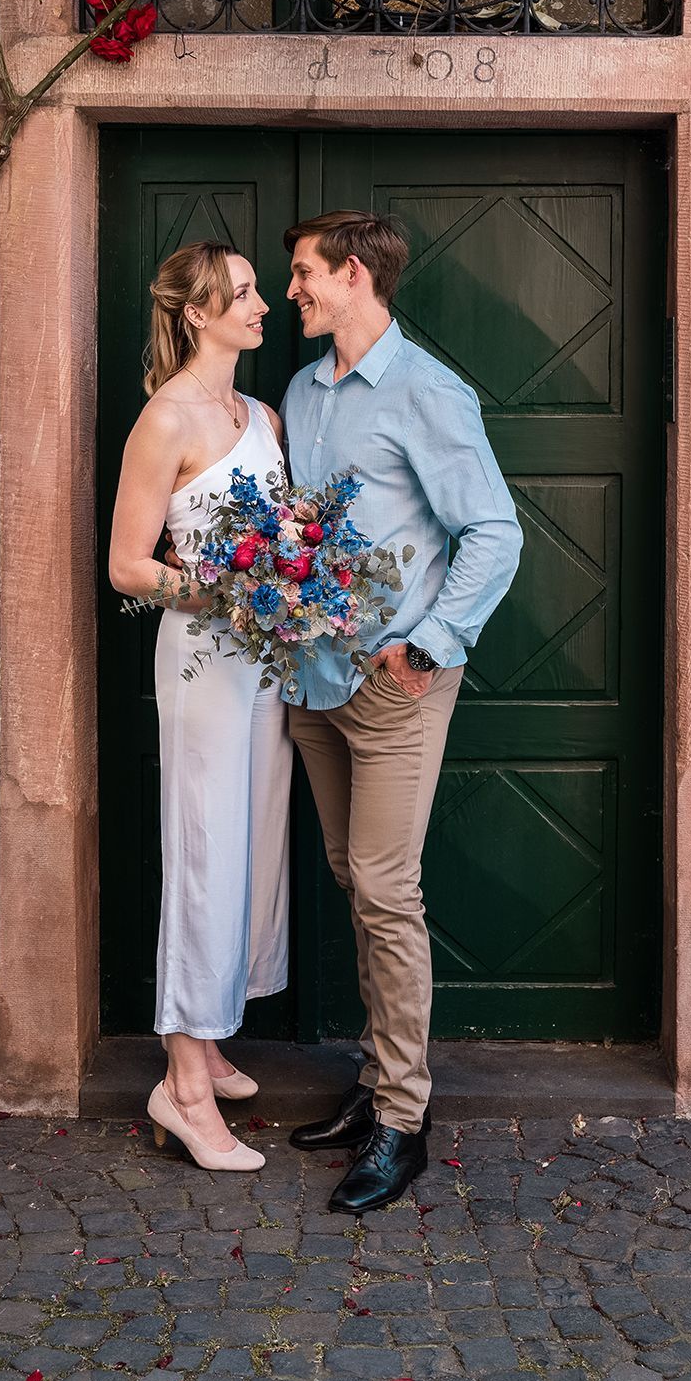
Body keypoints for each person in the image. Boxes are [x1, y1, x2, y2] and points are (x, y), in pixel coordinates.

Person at [281, 211, 523, 1213]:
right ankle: (376, 1081)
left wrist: (426, 647)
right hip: (311, 685)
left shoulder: (425, 391)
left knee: (384, 890)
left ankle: (403, 1121)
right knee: (351, 878)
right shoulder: (299, 389)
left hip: (393, 689)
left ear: (353, 277)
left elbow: (493, 533)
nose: (288, 288)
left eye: (302, 272)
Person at [108, 241, 291, 1174]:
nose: (265, 304)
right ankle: (180, 1087)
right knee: (204, 848)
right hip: (204, 661)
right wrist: (224, 589)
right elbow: (128, 565)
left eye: (260, 289)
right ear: (198, 312)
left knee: (253, 843)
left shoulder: (259, 412)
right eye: (247, 293)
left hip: (265, 662)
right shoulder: (165, 419)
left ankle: (211, 1042)